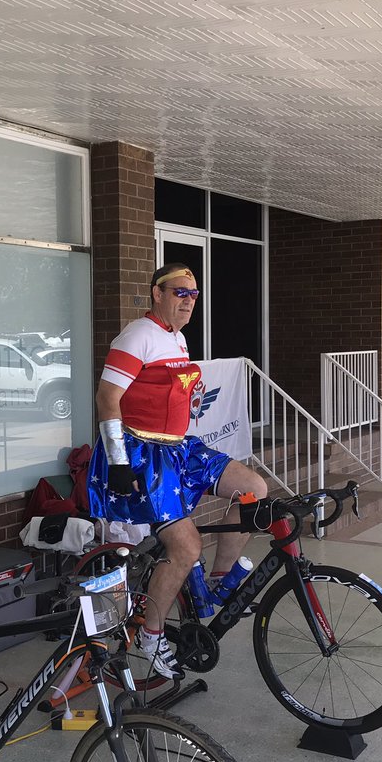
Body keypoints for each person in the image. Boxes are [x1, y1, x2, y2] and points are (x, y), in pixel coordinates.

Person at [88, 262, 269, 678]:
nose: (188, 301)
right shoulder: (137, 335)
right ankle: (151, 636)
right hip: (139, 453)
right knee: (186, 548)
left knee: (253, 490)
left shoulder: (178, 339)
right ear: (157, 293)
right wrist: (118, 461)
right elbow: (107, 398)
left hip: (177, 448)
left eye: (193, 295)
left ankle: (219, 579)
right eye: (179, 293)